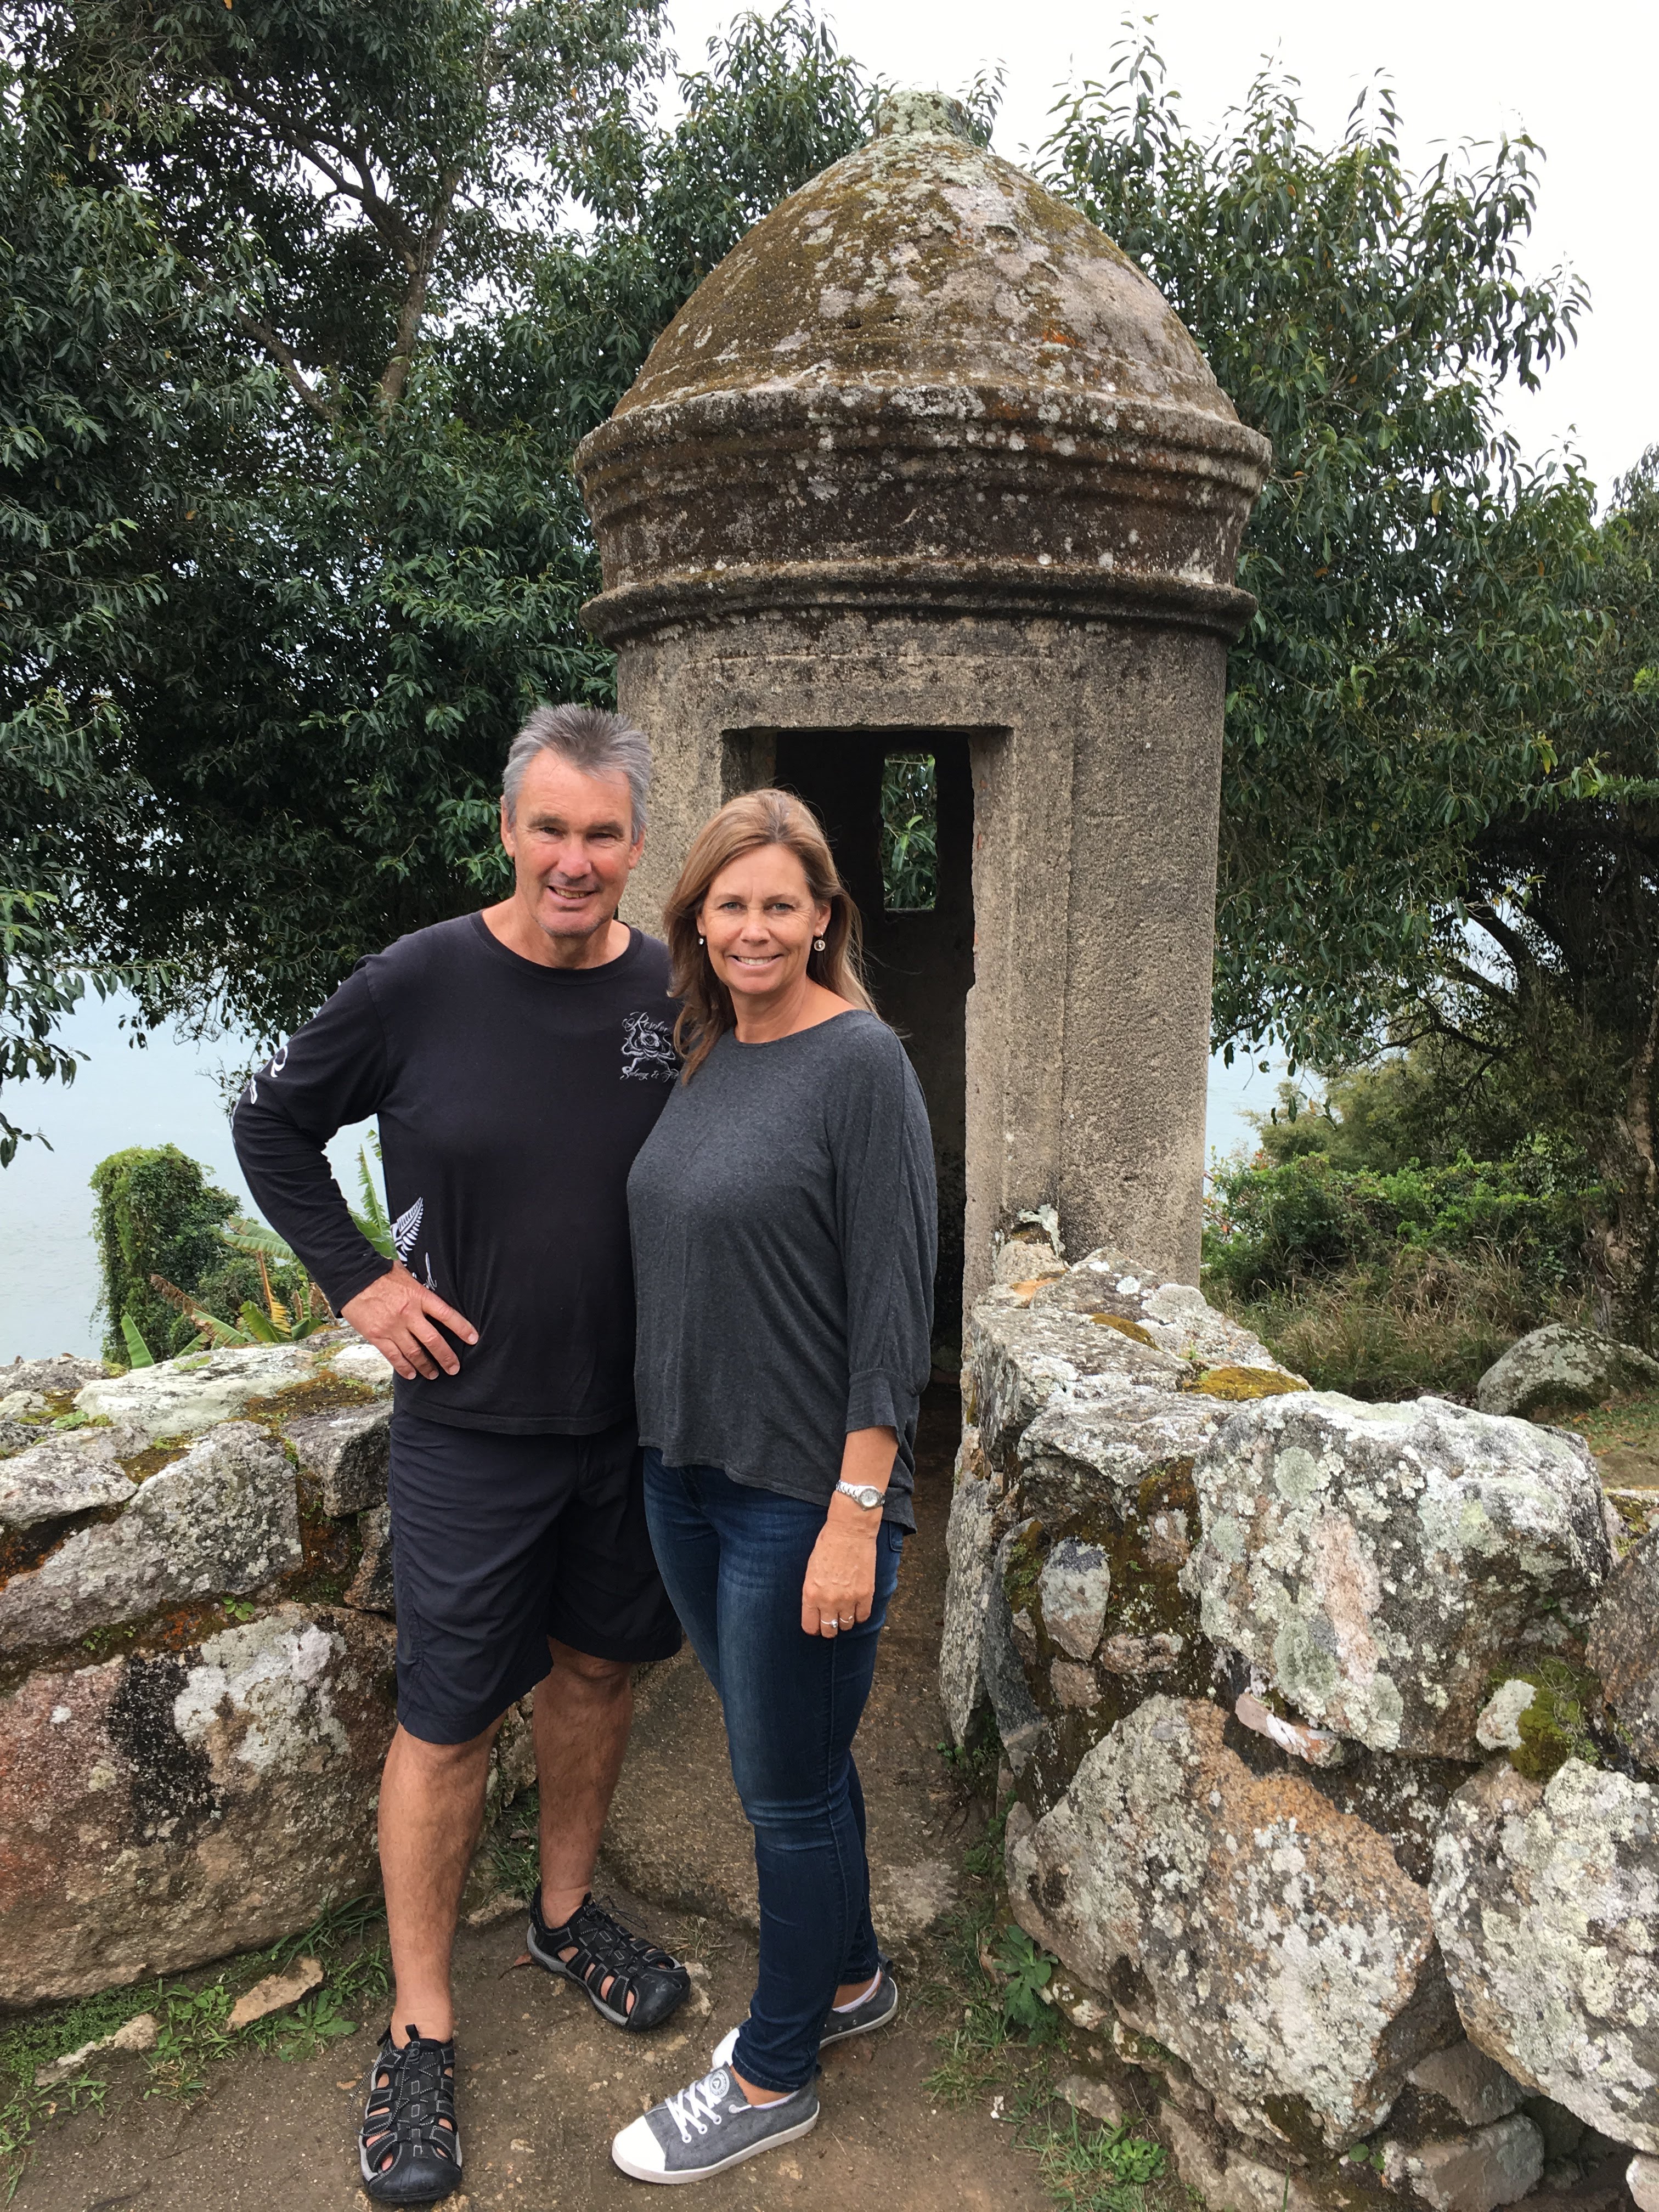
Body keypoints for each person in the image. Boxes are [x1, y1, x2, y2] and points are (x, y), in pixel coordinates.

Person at [233, 704, 692, 2206]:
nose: (575, 859)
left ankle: (563, 1916)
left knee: (599, 1674)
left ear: (637, 843)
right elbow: (273, 1127)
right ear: (508, 830)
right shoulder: (417, 982)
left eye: (602, 833)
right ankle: (420, 2024)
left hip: (631, 1423)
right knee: (444, 1721)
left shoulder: (673, 988)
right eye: (549, 828)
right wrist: (361, 1285)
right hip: (470, 1427)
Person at [612, 789, 937, 2185]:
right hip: (685, 1473)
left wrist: (855, 1516)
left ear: (822, 919)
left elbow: (895, 1312)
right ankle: (851, 1979)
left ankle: (773, 2072)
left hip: (802, 1499)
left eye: (779, 905)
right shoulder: (707, 1054)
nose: (752, 928)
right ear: (696, 923)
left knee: (782, 1796)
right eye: (727, 905)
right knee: (798, 1762)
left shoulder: (860, 1063)